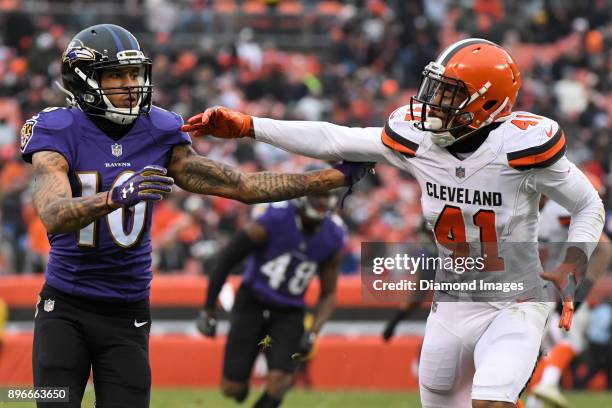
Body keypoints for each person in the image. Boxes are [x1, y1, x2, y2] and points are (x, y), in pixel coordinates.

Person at [182, 38, 605, 408]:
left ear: (488, 103)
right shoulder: (418, 140)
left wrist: (575, 261)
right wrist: (250, 126)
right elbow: (334, 137)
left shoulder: (521, 147)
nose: (433, 102)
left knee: (492, 400)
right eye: (435, 89)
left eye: (449, 93)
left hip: (515, 299)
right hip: (452, 302)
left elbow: (588, 204)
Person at [21, 24, 370, 408]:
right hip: (64, 306)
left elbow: (243, 186)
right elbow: (53, 215)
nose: (130, 84)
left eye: (134, 73)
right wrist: (115, 196)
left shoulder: (158, 129)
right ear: (84, 79)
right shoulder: (58, 128)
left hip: (128, 310)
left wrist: (332, 177)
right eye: (116, 74)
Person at [197, 163, 346, 408]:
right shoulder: (275, 219)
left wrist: (313, 332)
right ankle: (239, 388)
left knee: (281, 380)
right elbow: (227, 259)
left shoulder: (334, 234)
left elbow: (329, 293)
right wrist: (207, 309)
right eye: (317, 194)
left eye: (326, 195)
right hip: (252, 302)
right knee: (231, 388)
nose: (321, 201)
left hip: (289, 311)